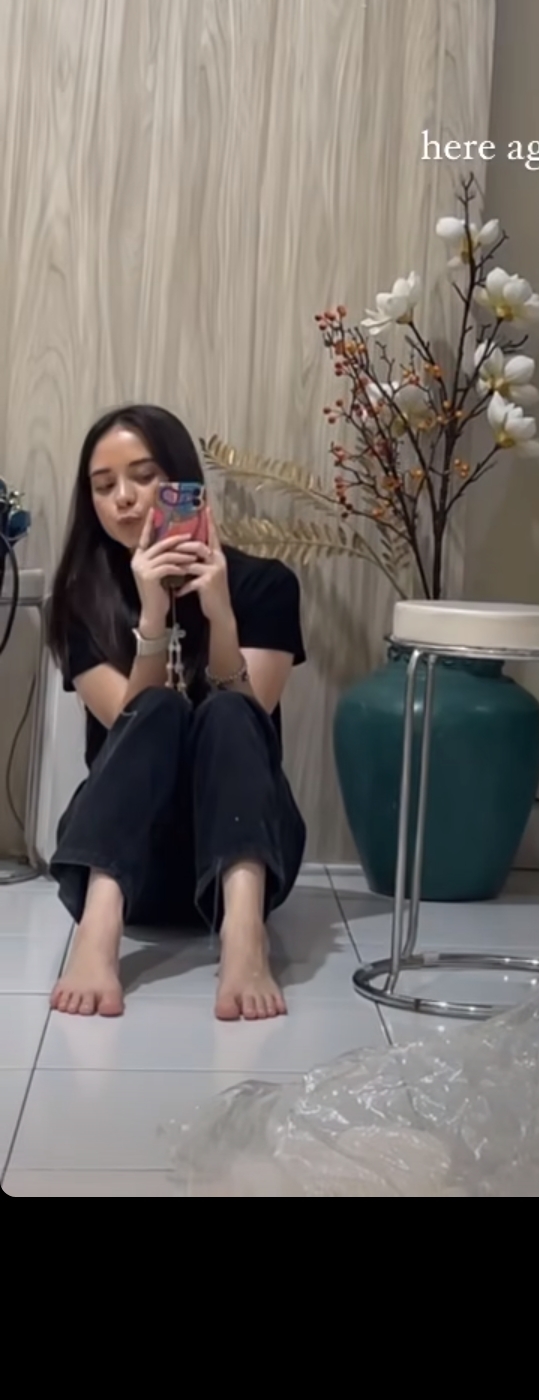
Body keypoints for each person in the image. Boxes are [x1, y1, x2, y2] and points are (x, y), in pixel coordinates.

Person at [46, 404, 307, 1019]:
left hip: (243, 861)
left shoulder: (265, 585)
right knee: (157, 707)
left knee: (228, 711)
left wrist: (220, 615)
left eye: (144, 477)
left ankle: (244, 939)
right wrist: (153, 616)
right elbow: (127, 724)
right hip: (127, 860)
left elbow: (255, 714)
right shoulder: (83, 600)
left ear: (184, 484)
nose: (124, 498)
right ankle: (97, 932)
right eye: (104, 486)